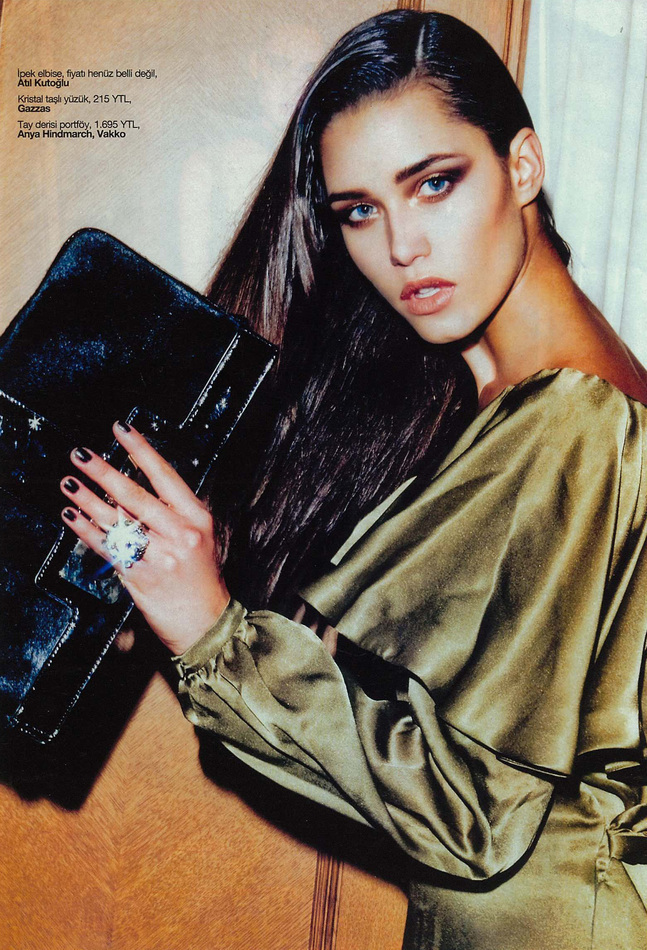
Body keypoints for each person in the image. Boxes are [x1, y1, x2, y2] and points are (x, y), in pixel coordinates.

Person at [58, 11, 647, 950]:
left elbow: (474, 814)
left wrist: (214, 635)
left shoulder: (575, 419)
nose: (401, 246)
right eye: (359, 211)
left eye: (435, 183)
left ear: (522, 166)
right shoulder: (497, 399)